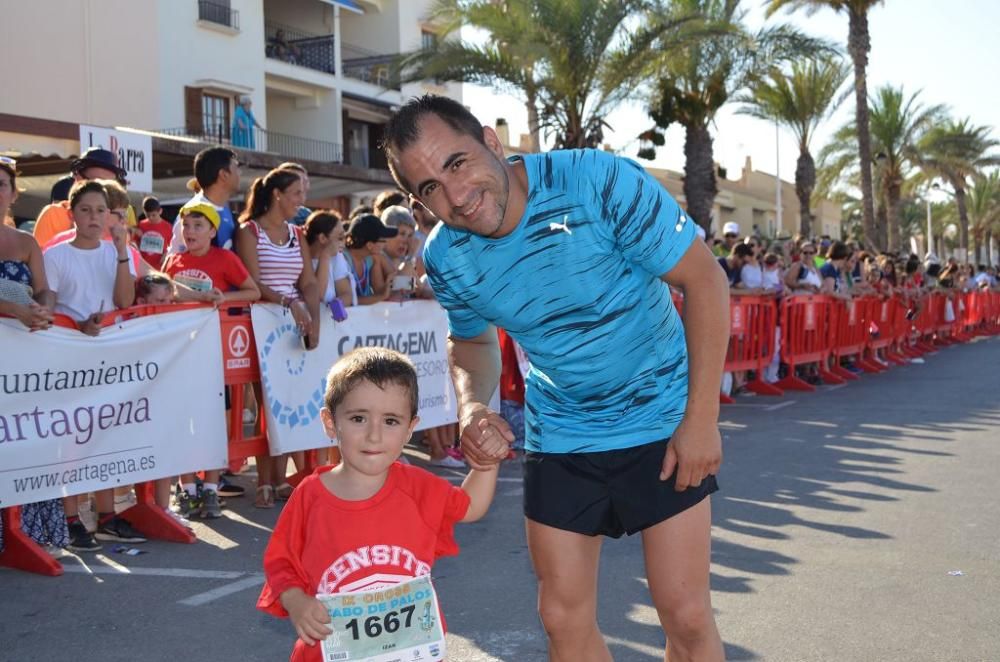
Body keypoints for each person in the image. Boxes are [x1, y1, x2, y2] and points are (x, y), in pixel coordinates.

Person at [383, 95, 728, 662]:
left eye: (457, 163)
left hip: (662, 420)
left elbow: (705, 279)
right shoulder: (446, 256)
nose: (457, 196)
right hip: (562, 431)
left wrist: (700, 420)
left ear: (493, 142)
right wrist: (472, 408)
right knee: (562, 621)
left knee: (686, 616)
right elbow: (471, 341)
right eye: (428, 189)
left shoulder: (597, 179)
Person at [256, 347, 503, 662]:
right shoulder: (310, 496)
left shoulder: (418, 488)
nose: (374, 435)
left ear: (410, 429)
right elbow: (280, 564)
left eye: (390, 421)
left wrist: (487, 460)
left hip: (412, 651)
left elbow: (471, 506)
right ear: (331, 423)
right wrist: (296, 601)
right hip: (331, 651)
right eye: (358, 418)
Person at [42, 180, 142, 551]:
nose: (94, 217)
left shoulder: (118, 251)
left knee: (106, 435)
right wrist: (77, 326)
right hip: (71, 359)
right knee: (72, 439)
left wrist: (119, 252)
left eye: (101, 210)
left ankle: (107, 515)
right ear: (72, 213)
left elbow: (124, 298)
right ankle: (71, 518)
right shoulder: (55, 255)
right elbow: (50, 304)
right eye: (85, 210)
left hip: (111, 358)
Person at [235, 167, 320, 508]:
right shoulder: (249, 231)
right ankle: (265, 481)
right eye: (298, 193)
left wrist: (312, 318)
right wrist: (289, 303)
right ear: (278, 195)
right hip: (263, 321)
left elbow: (310, 281)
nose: (303, 201)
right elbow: (253, 283)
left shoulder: (297, 233)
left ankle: (282, 479)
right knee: (268, 404)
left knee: (294, 402)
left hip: (295, 323)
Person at [32, 147, 128, 246]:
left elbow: (128, 257)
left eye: (110, 184)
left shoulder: (117, 218)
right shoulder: (54, 214)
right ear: (78, 179)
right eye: (96, 182)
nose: (104, 189)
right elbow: (41, 259)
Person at [168, 147, 241, 254]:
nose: (240, 173)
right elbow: (174, 263)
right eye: (236, 168)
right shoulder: (190, 212)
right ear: (223, 175)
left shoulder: (224, 207)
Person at [303, 209, 354, 309]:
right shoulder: (300, 258)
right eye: (340, 238)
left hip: (329, 323)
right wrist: (325, 256)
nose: (344, 243)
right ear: (322, 238)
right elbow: (318, 295)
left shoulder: (337, 257)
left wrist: (336, 305)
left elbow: (346, 293)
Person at [343, 213, 396, 305]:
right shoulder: (343, 260)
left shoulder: (369, 260)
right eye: (383, 240)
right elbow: (349, 301)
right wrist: (382, 296)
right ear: (369, 245)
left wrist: (388, 284)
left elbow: (378, 291)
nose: (385, 244)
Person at [136, 196, 172, 268]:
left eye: (154, 215)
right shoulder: (141, 225)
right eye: (148, 215)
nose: (151, 218)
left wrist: (166, 255)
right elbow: (135, 244)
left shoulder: (168, 227)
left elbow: (172, 246)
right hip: (143, 266)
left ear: (160, 211)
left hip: (159, 267)